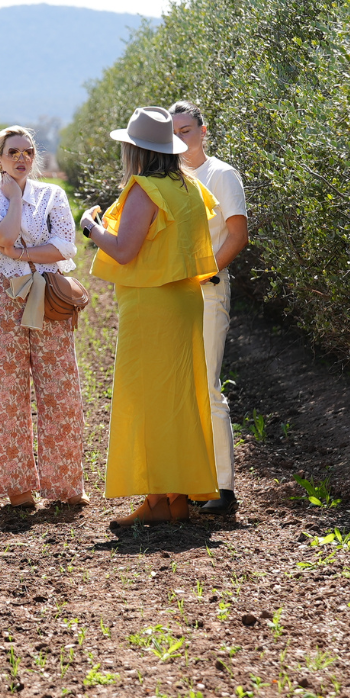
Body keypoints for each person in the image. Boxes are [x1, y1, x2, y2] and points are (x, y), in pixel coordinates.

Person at [80, 107, 219, 528]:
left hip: (151, 305)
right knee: (178, 399)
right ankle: (176, 497)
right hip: (183, 300)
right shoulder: (190, 187)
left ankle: (158, 501)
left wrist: (91, 227)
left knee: (150, 402)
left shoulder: (146, 189)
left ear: (135, 151)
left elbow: (124, 250)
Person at [0, 127, 89, 509]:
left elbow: (65, 245)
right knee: (6, 394)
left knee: (61, 388)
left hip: (48, 297)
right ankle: (17, 486)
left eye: (28, 152)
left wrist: (23, 257)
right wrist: (16, 198)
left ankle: (67, 485)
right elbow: (2, 236)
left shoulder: (53, 194)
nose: (22, 158)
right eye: (13, 152)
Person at [171, 101, 249, 516]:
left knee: (207, 386)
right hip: (172, 298)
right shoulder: (170, 179)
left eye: (186, 129)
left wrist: (202, 276)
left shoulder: (221, 175)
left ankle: (223, 488)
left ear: (203, 131)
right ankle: (190, 481)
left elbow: (237, 235)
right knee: (181, 388)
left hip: (207, 292)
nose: (180, 138)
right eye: (173, 132)